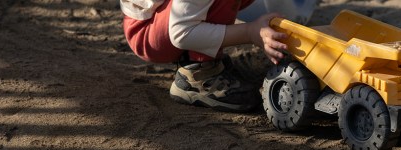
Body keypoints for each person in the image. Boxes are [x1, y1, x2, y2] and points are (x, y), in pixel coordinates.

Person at [121, 0, 290, 112]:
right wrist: (251, 32)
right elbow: (181, 33)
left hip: (168, 17)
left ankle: (198, 55)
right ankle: (199, 73)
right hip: (148, 31)